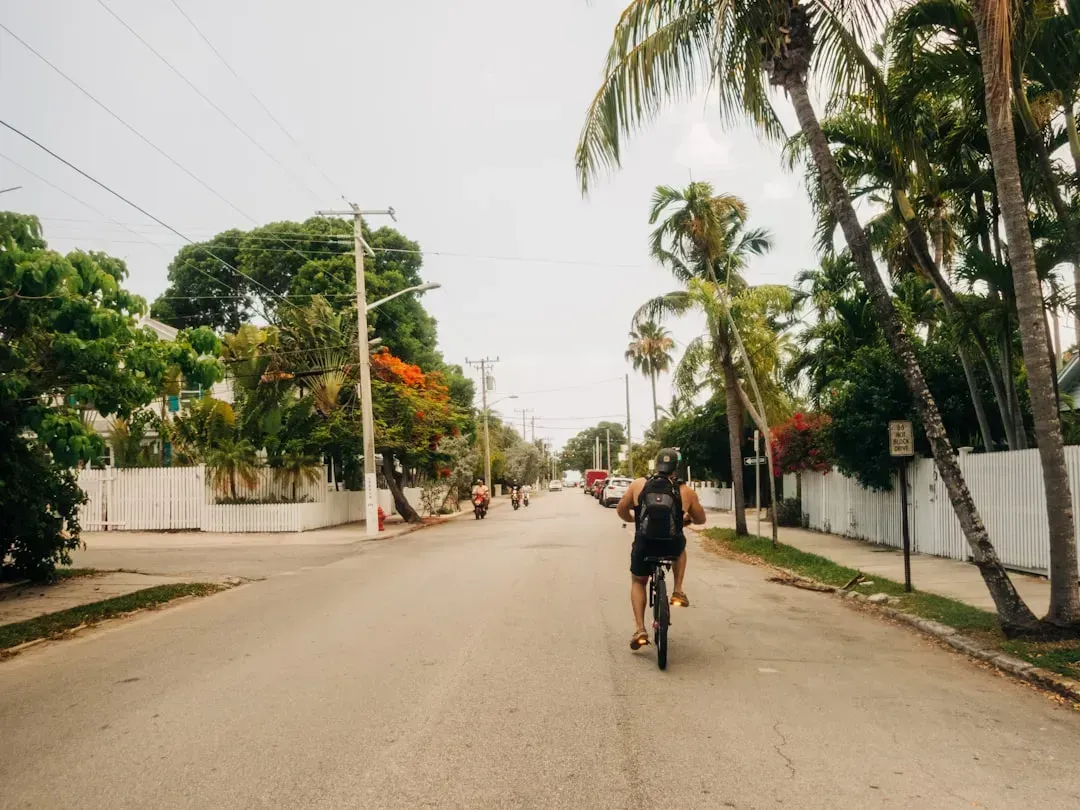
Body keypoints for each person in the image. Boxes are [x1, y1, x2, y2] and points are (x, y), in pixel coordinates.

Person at [616, 448, 706, 651]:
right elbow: (701, 519)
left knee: (638, 581)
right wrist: (687, 517)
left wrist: (633, 519)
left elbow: (621, 509)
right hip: (670, 544)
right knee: (680, 546)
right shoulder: (685, 491)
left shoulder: (639, 485)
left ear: (656, 465)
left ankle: (640, 629)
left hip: (644, 542)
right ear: (676, 468)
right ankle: (678, 590)